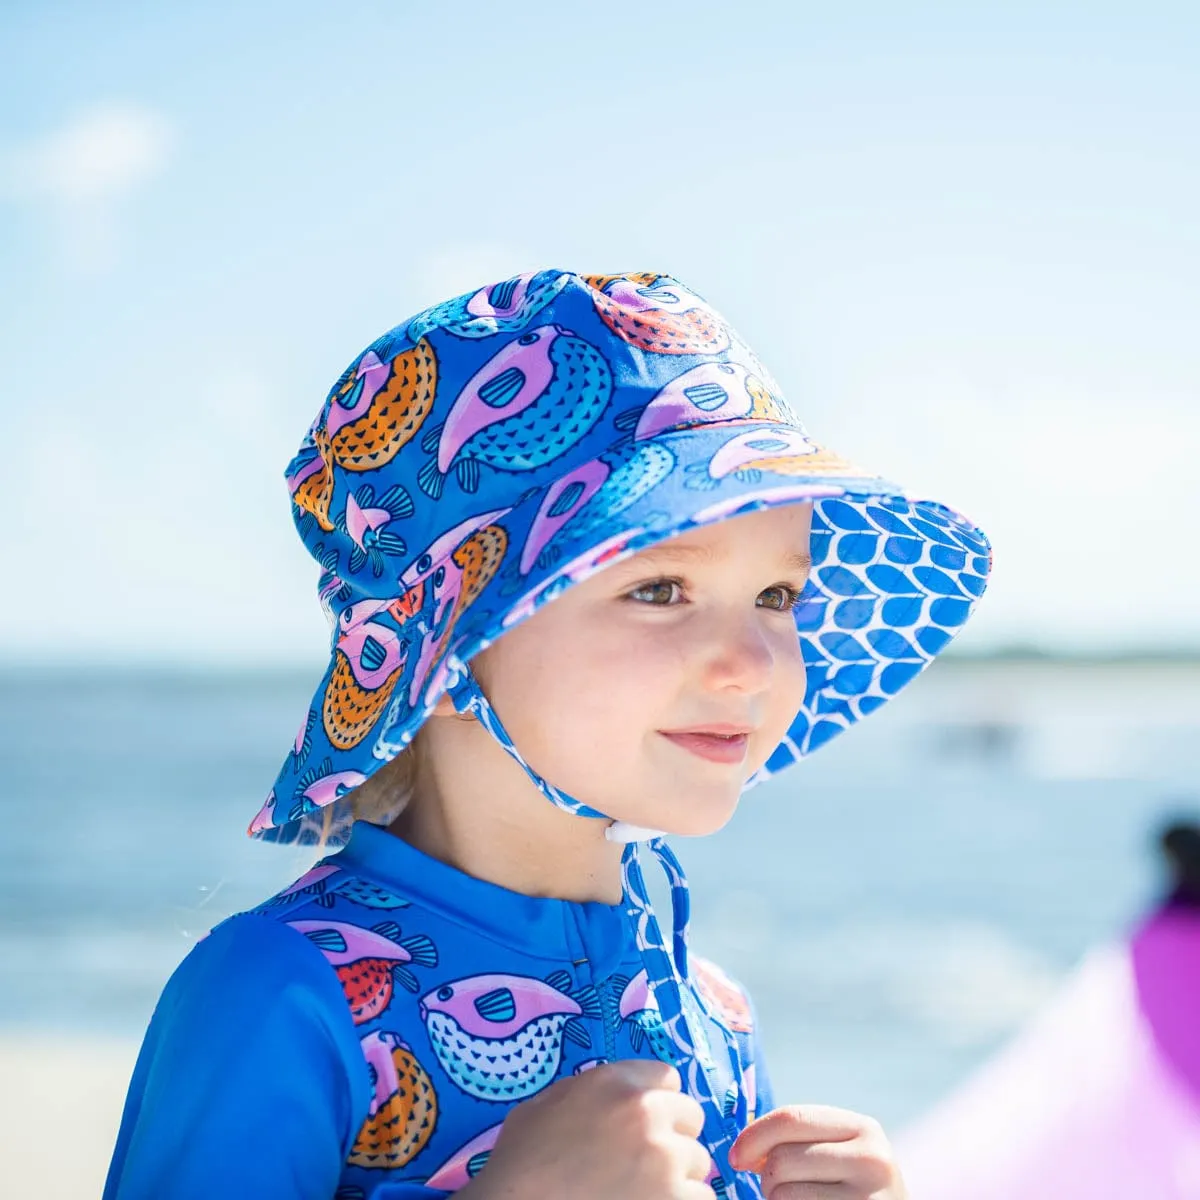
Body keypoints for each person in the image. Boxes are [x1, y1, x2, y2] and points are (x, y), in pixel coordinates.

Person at [103, 269, 990, 1199]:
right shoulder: (284, 996)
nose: (755, 661)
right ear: (444, 655)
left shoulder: (711, 1013)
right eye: (659, 589)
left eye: (777, 596)